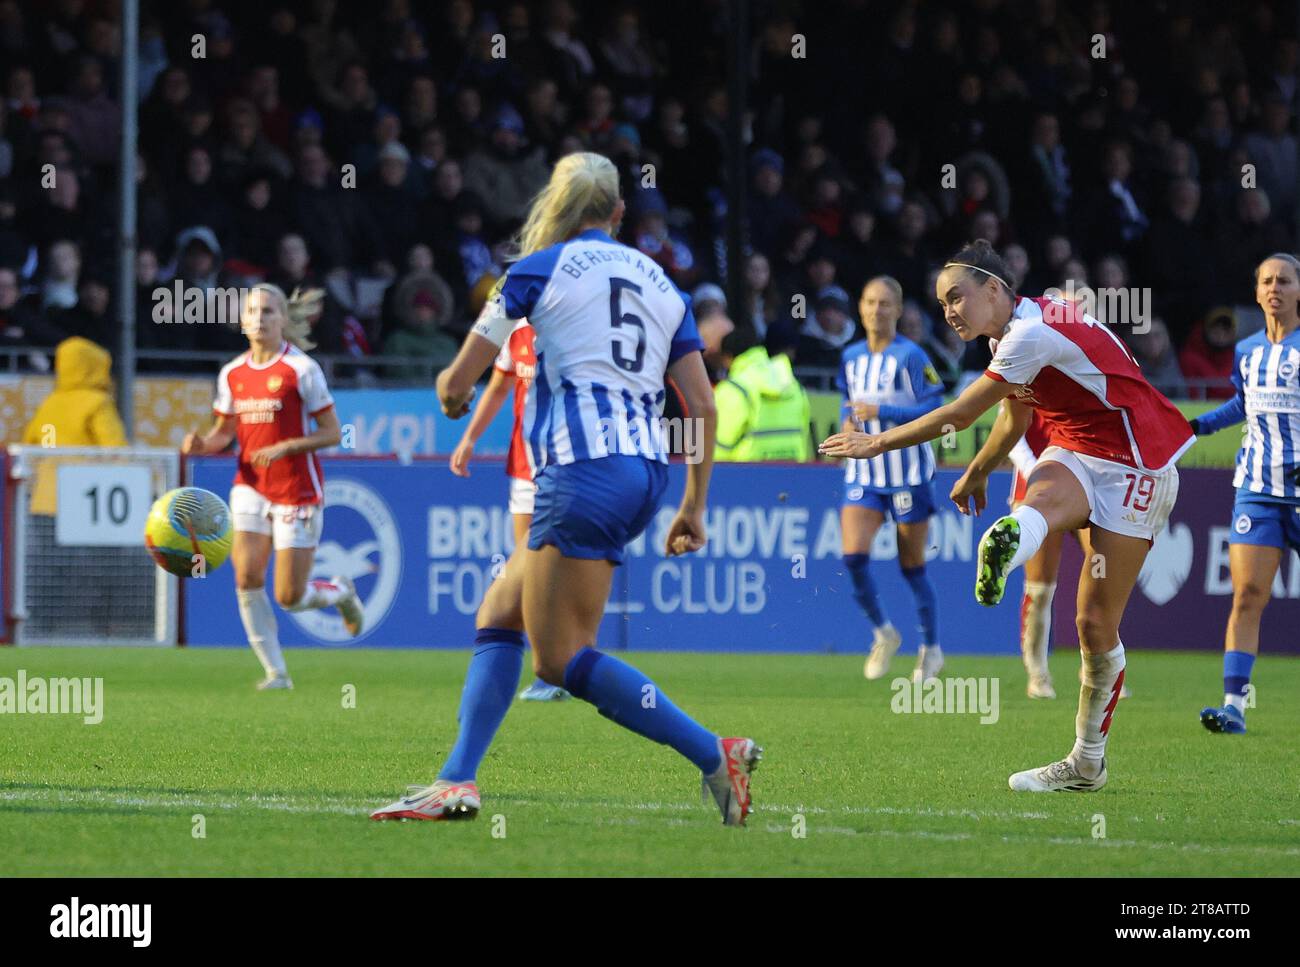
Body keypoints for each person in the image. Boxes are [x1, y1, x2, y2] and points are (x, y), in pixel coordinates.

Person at [372, 153, 760, 825]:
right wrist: (694, 504)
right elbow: (701, 404)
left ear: (555, 203)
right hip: (643, 472)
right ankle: (456, 779)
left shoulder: (531, 270)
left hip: (581, 469)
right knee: (499, 610)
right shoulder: (665, 285)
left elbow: (459, 380)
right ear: (617, 214)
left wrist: (451, 396)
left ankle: (712, 752)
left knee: (559, 658)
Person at [820, 240, 1193, 792]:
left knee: (1094, 626)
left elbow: (959, 411)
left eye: (957, 297)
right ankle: (1008, 539)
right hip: (1078, 450)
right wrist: (977, 469)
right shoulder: (1017, 329)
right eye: (942, 302)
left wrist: (876, 443)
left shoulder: (1030, 333)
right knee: (1037, 500)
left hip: (1139, 462)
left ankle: (1087, 761)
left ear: (994, 288)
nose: (949, 311)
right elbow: (1014, 418)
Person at [182, 285, 363, 690]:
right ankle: (276, 673)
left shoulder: (301, 370)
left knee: (289, 596)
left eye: (268, 311)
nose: (259, 318)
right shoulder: (232, 373)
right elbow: (223, 433)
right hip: (249, 485)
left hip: (297, 489)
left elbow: (334, 432)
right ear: (243, 320)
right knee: (246, 578)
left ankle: (339, 591)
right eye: (252, 311)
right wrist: (202, 445)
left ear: (283, 319)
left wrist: (288, 446)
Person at [1190, 253, 1300, 734]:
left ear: (1299, 291)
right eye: (1267, 281)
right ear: (1257, 293)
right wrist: (1198, 425)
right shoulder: (1249, 350)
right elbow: (1242, 402)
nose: (1275, 287)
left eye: (1285, 280)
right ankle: (1234, 705)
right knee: (1248, 594)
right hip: (1256, 490)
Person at [449, 317, 570, 703]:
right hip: (523, 467)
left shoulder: (576, 324)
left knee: (555, 566)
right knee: (529, 569)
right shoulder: (516, 331)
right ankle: (547, 672)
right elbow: (499, 388)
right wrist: (469, 439)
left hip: (569, 464)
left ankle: (562, 666)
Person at [833, 277, 946, 684]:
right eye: (869, 302)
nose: (875, 310)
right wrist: (848, 430)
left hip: (908, 472)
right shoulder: (849, 357)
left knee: (911, 565)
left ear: (898, 310)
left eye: (884, 303)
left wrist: (883, 411)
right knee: (853, 557)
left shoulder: (912, 356)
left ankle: (931, 649)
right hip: (864, 472)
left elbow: (937, 406)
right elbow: (851, 408)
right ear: (859, 307)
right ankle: (883, 633)